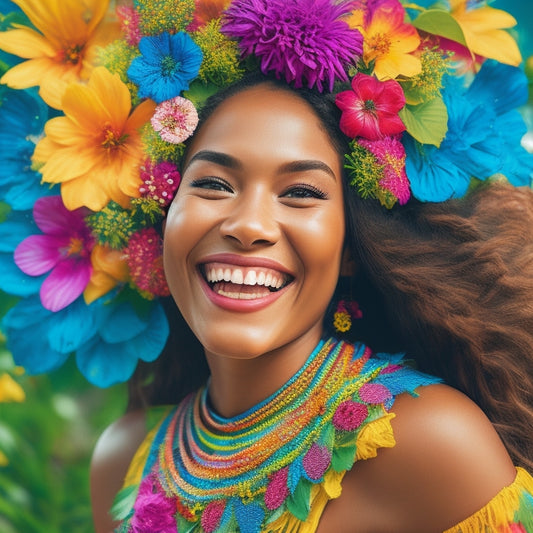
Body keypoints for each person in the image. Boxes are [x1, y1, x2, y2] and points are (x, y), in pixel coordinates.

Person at [0, 0, 532, 532]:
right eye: (212, 184)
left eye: (300, 192)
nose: (249, 224)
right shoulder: (123, 460)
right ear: (163, 221)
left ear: (350, 247)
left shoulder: (430, 443)